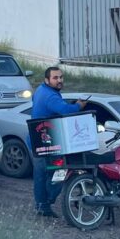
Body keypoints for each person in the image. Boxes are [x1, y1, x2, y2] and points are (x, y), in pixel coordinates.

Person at [31, 66, 87, 217]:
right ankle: (47, 201)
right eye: (55, 78)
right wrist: (78, 106)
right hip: (48, 142)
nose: (59, 80)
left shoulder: (40, 91)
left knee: (41, 175)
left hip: (38, 139)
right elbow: (65, 111)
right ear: (47, 80)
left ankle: (42, 206)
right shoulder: (51, 96)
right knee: (59, 172)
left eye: (61, 77)